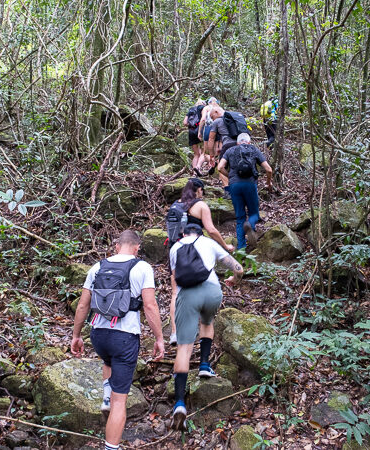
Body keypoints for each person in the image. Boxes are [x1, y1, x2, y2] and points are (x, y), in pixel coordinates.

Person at [71, 230, 165, 450]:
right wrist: (159, 338)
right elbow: (150, 305)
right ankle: (111, 447)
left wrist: (76, 335)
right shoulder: (142, 267)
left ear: (116, 246)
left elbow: (83, 305)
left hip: (98, 335)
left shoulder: (97, 267)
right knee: (120, 401)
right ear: (137, 248)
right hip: (124, 337)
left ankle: (106, 396)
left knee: (108, 360)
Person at [169, 223, 244, 430]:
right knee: (207, 322)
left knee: (184, 348)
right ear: (200, 233)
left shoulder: (175, 247)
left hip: (188, 295)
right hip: (212, 292)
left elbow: (175, 278)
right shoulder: (209, 243)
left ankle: (179, 404)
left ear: (184, 233)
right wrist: (234, 279)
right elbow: (239, 268)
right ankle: (204, 365)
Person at [167, 178, 234, 344]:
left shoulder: (176, 205)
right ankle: (202, 328)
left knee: (176, 292)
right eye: (202, 190)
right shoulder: (201, 206)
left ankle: (175, 333)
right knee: (202, 287)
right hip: (197, 252)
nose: (202, 193)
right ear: (198, 190)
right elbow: (211, 229)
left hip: (176, 250)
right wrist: (225, 245)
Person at [216, 133, 273, 250]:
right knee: (254, 213)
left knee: (240, 217)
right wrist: (268, 182)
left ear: (237, 142)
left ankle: (241, 249)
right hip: (250, 184)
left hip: (234, 186)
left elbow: (220, 167)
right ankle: (250, 224)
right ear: (249, 142)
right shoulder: (254, 149)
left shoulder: (230, 150)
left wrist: (230, 176)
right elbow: (268, 169)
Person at [204, 107, 235, 195]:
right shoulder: (234, 118)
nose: (212, 119)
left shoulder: (217, 121)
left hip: (228, 146)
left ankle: (228, 192)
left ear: (216, 112)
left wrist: (211, 156)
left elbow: (211, 139)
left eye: (212, 116)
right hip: (241, 144)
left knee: (221, 167)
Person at [183, 100, 206, 176]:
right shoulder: (203, 108)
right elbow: (204, 119)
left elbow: (185, 123)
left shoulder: (190, 110)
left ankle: (194, 173)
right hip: (200, 130)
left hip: (191, 131)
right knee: (203, 153)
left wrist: (191, 125)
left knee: (196, 154)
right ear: (203, 104)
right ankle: (198, 168)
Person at [198, 98, 221, 170]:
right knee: (216, 151)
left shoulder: (206, 108)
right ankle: (214, 166)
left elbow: (203, 119)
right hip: (218, 129)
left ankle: (198, 167)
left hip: (208, 128)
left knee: (206, 153)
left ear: (208, 102)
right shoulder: (218, 108)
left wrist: (199, 131)